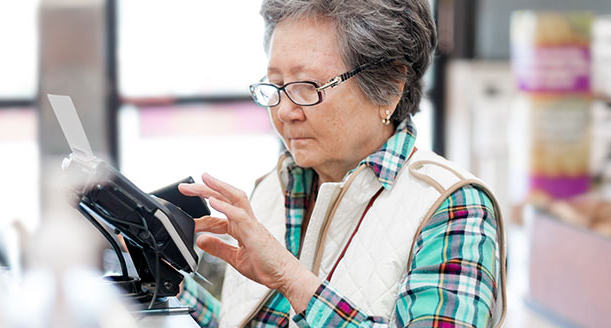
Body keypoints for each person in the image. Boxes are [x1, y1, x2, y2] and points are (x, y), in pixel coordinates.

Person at [177, 0, 506, 327]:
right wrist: (169, 284)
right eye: (275, 86)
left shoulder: (453, 206)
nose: (284, 112)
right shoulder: (273, 188)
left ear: (391, 86)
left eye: (307, 87)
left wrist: (291, 279)